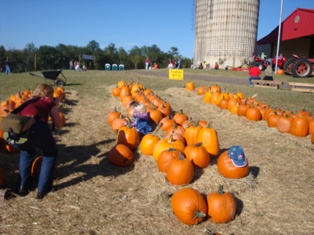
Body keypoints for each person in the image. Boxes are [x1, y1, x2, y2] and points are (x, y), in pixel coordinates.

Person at [17, 83, 62, 199]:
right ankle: (43, 189)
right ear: (49, 95)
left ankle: (23, 186)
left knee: (26, 152)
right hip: (37, 129)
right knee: (50, 153)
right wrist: (54, 107)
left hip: (20, 131)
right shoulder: (48, 102)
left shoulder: (27, 100)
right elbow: (58, 124)